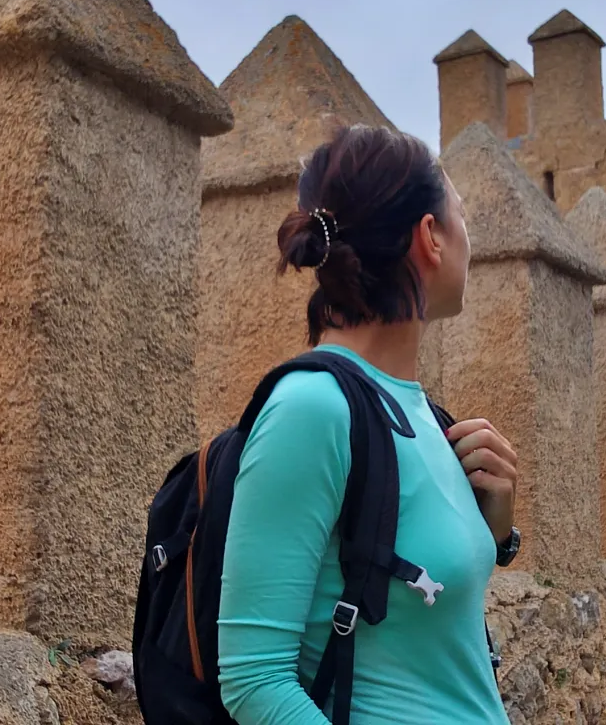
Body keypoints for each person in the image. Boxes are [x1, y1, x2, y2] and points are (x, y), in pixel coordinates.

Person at [217, 123, 518, 724]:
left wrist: (497, 530)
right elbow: (253, 680)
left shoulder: (419, 411)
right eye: (461, 214)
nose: (470, 236)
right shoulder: (313, 410)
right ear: (430, 236)